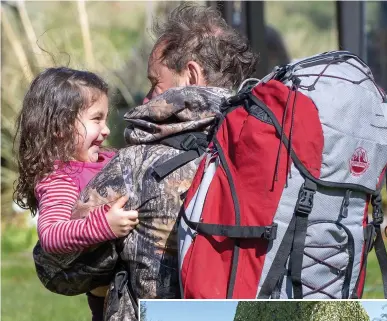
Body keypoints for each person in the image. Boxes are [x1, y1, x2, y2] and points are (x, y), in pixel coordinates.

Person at [32, 3, 258, 320]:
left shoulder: (135, 164)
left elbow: (57, 269)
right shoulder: (263, 147)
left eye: (155, 82)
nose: (147, 99)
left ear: (191, 74)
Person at [14, 67, 139, 321]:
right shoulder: (60, 178)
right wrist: (104, 225)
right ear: (60, 127)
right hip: (109, 298)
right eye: (96, 119)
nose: (106, 130)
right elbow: (51, 234)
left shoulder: (107, 158)